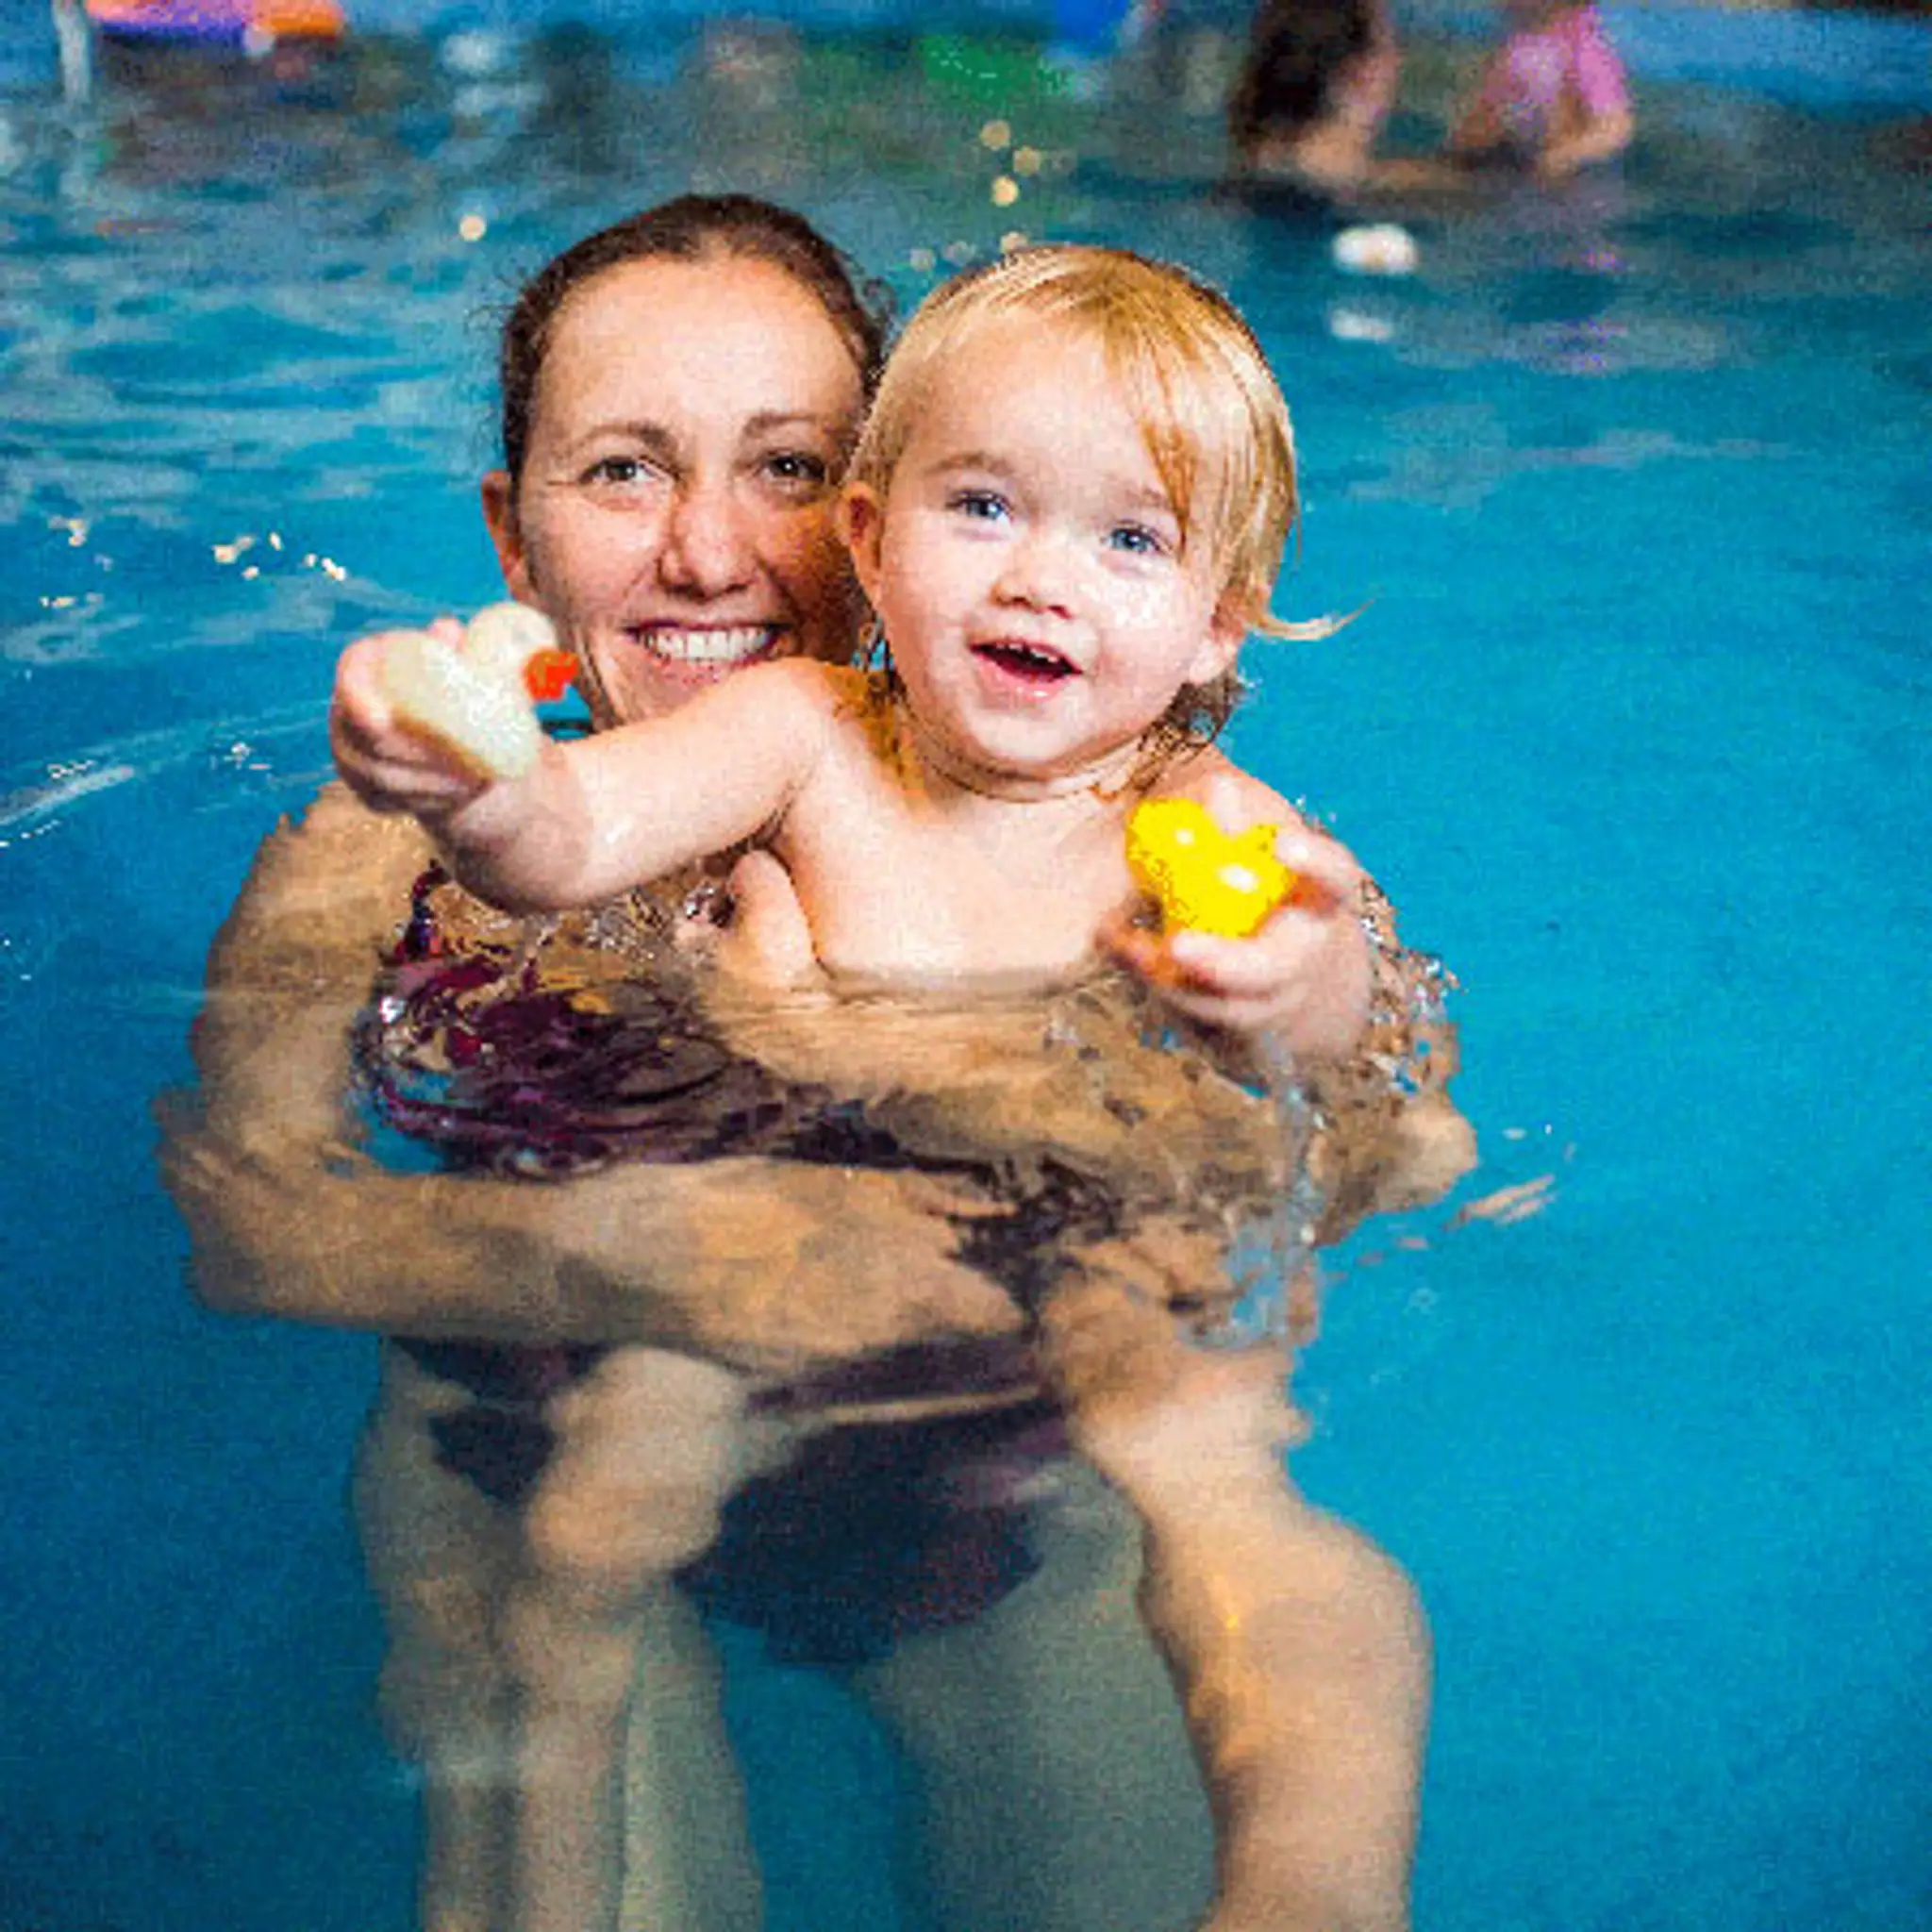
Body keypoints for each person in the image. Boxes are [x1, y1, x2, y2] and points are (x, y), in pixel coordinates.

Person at [166, 199, 1471, 1932]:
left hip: (994, 1456)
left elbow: (1392, 1139)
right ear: (512, 531)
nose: (708, 554)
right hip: (535, 1435)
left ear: (854, 510)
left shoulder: (1162, 829)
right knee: (558, 1720)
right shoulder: (369, 850)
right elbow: (250, 1222)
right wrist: (649, 1250)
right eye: (624, 471)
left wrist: (840, 1042)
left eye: (780, 466)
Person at [1226, 0, 1405, 198]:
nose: (1398, 63)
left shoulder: (1239, 183)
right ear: (1360, 75)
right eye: (1390, 47)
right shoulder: (1386, 213)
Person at [1445, 0, 1633, 180]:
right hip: (1508, 157)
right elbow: (1490, 109)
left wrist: (1564, 156)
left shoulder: (1586, 51)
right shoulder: (1521, 41)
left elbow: (1616, 127)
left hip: (1560, 179)